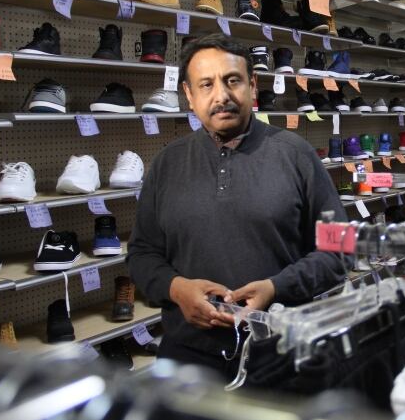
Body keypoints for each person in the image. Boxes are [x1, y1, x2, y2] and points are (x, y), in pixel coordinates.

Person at [127, 33, 348, 377]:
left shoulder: (296, 154)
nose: (222, 96)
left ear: (252, 85)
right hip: (188, 361)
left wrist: (277, 288)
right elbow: (142, 254)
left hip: (282, 355)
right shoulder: (167, 163)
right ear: (188, 94)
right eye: (206, 84)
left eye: (233, 81)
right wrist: (177, 289)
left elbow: (340, 249)